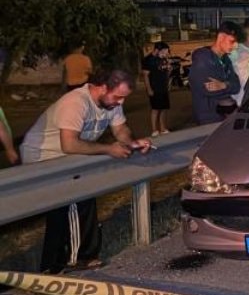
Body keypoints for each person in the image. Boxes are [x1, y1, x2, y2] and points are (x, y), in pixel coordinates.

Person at [20, 70, 152, 273]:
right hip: (43, 157)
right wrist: (109, 149)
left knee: (79, 200)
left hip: (69, 158)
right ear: (103, 87)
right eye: (118, 97)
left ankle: (59, 263)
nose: (121, 102)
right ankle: (72, 260)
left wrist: (132, 143)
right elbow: (69, 144)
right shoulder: (76, 103)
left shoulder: (111, 103)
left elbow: (120, 130)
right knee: (73, 200)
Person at [188, 20, 242, 125]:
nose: (235, 46)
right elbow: (210, 90)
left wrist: (224, 85)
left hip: (223, 117)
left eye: (237, 43)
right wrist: (229, 85)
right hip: (208, 118)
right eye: (232, 41)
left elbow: (237, 87)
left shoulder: (226, 60)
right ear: (221, 37)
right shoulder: (203, 60)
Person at [141, 41, 172, 136]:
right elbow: (145, 75)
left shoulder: (163, 58)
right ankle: (154, 130)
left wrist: (169, 70)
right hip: (154, 87)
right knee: (155, 109)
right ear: (157, 50)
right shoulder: (148, 60)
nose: (166, 53)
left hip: (163, 87)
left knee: (164, 108)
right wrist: (149, 89)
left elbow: (166, 72)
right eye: (164, 51)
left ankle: (163, 128)